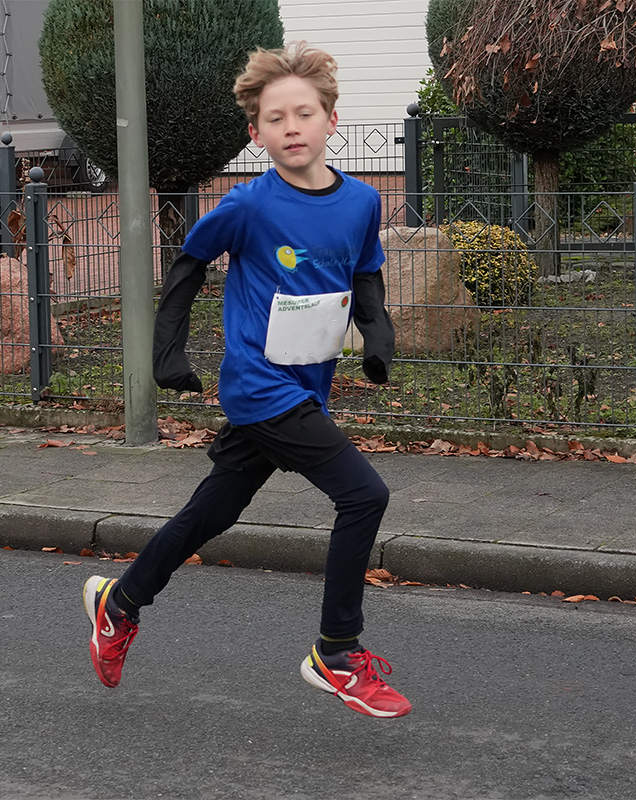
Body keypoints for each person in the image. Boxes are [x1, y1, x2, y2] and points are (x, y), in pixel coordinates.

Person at [80, 43, 410, 719]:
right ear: (256, 133)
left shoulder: (361, 202)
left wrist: (377, 336)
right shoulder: (248, 205)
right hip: (261, 387)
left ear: (331, 120)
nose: (291, 127)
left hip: (307, 386)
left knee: (213, 512)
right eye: (274, 118)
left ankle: (121, 602)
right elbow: (188, 266)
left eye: (304, 113)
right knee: (364, 495)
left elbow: (366, 273)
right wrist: (168, 354)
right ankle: (337, 652)